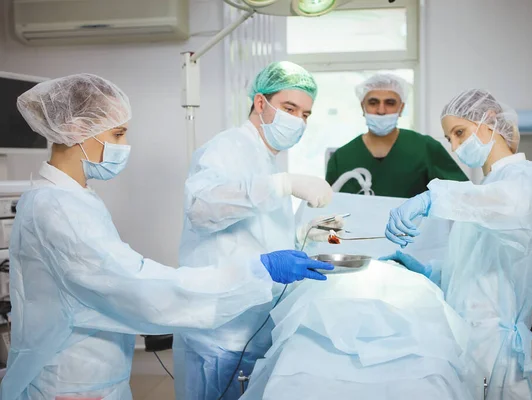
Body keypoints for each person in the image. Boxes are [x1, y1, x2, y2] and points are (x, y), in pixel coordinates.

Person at [3, 73, 334, 400]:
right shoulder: (58, 207)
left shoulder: (73, 197)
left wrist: (300, 233)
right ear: (76, 129)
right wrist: (257, 271)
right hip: (73, 379)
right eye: (118, 134)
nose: (125, 146)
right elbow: (136, 283)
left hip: (92, 371)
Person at [173, 61, 340, 400]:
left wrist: (306, 232)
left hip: (251, 322)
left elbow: (254, 230)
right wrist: (283, 184)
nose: (298, 120)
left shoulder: (265, 158)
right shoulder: (227, 148)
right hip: (223, 330)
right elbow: (201, 209)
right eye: (289, 108)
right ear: (261, 103)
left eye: (306, 114)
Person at [383, 89, 532, 399]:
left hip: (494, 350)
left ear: (488, 121)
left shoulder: (523, 176)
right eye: (450, 139)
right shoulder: (488, 186)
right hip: (474, 340)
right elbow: (478, 266)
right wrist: (431, 273)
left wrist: (432, 197)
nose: (456, 146)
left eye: (459, 133)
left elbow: (512, 207)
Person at [326, 73, 467, 197]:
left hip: (414, 227)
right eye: (373, 102)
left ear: (401, 108)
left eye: (390, 103)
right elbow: (328, 208)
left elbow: (463, 196)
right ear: (363, 107)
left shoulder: (425, 148)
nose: (381, 110)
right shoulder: (342, 157)